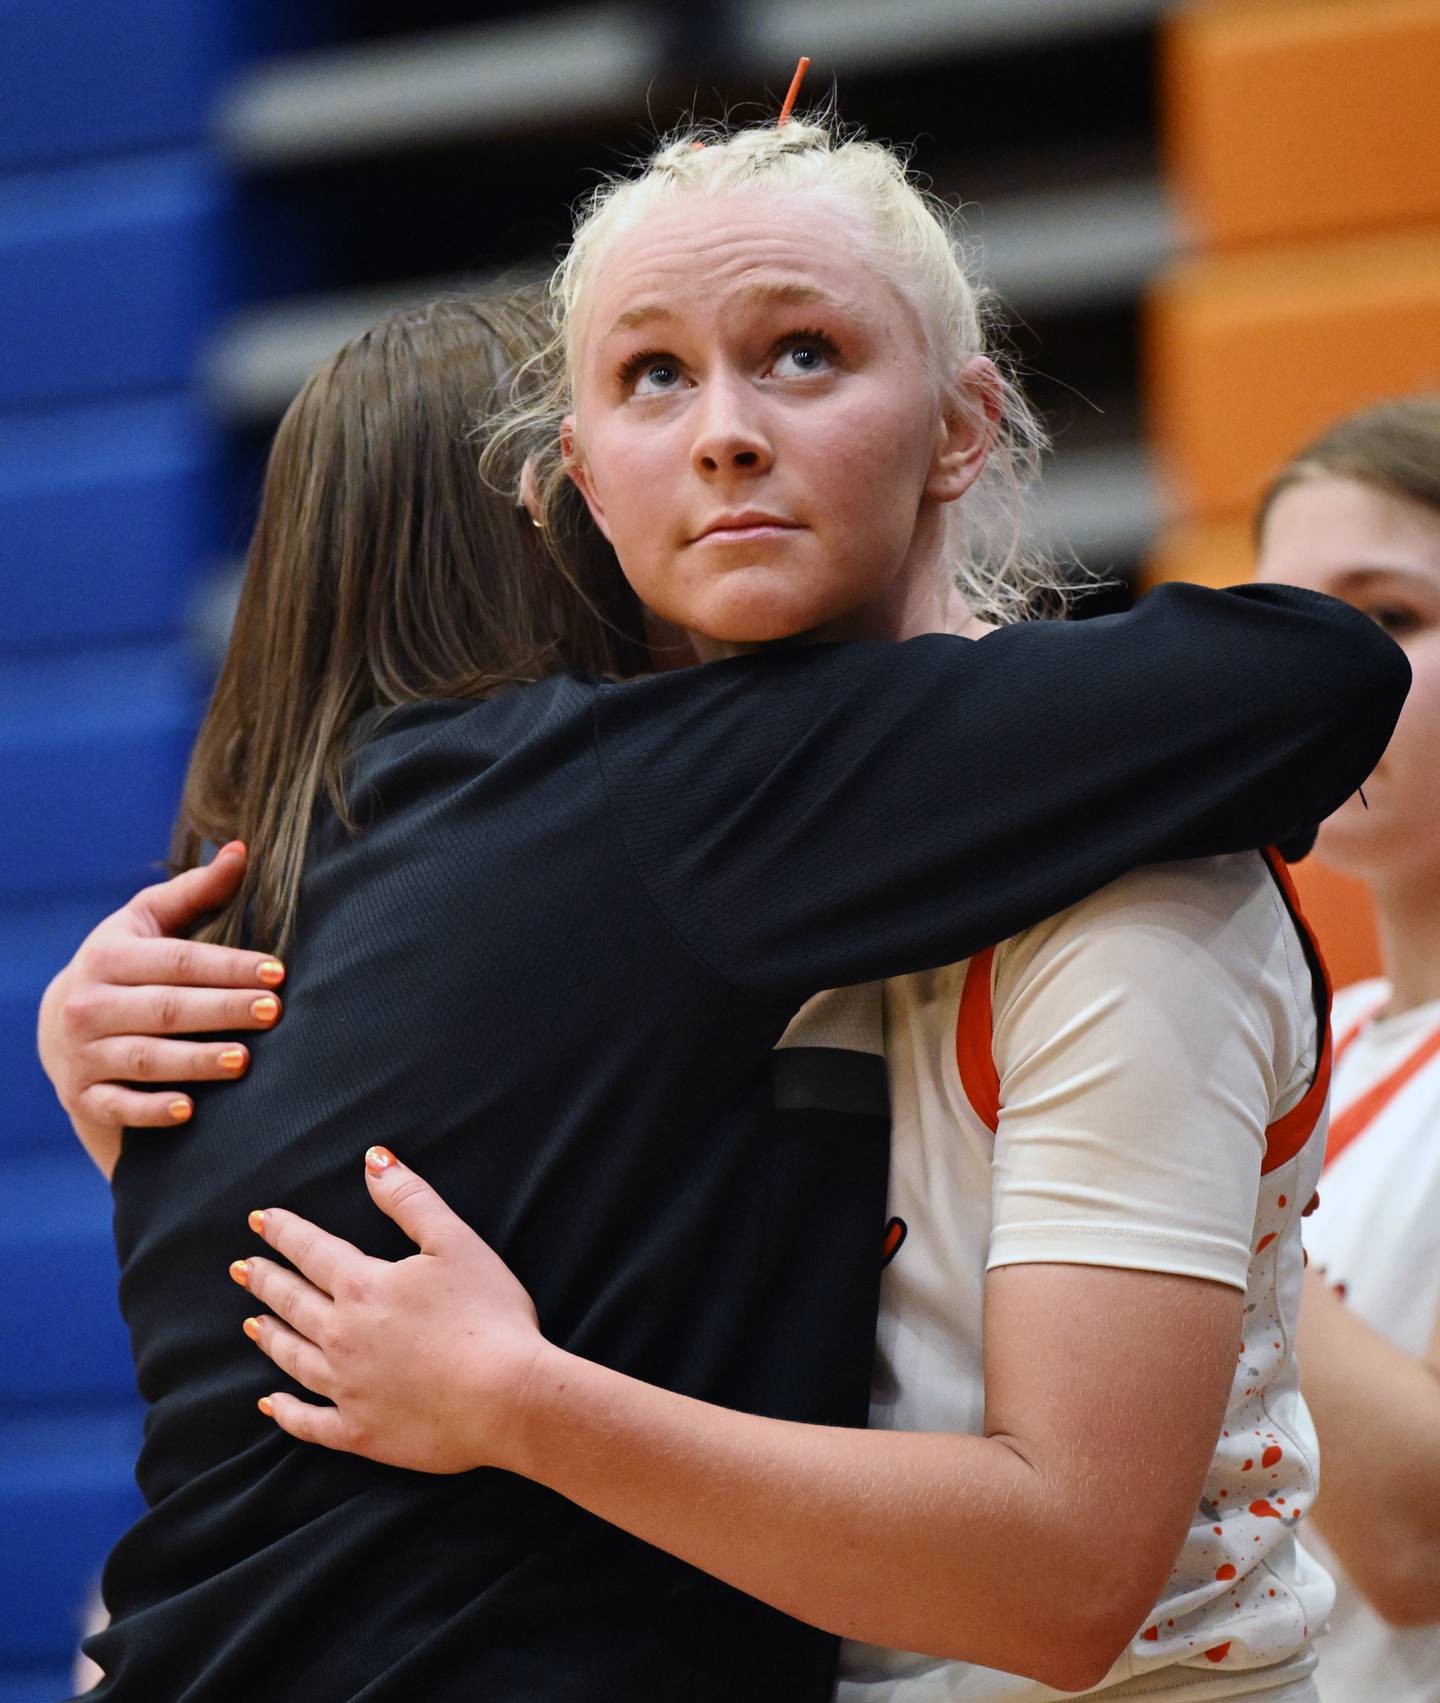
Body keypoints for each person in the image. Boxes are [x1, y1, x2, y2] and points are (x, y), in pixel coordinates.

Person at [37, 116, 1405, 1702]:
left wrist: (519, 1398)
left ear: (966, 428)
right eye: (653, 378)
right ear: (569, 487)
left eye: (804, 355)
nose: (726, 435)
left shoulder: (1126, 886)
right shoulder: (629, 856)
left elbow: (1070, 1570)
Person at [1254, 396, 1440, 1703]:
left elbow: (1419, 1536)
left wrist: (1184, 1168)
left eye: (1387, 617)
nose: (1321, 675)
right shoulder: (1321, 1029)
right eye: (1283, 629)